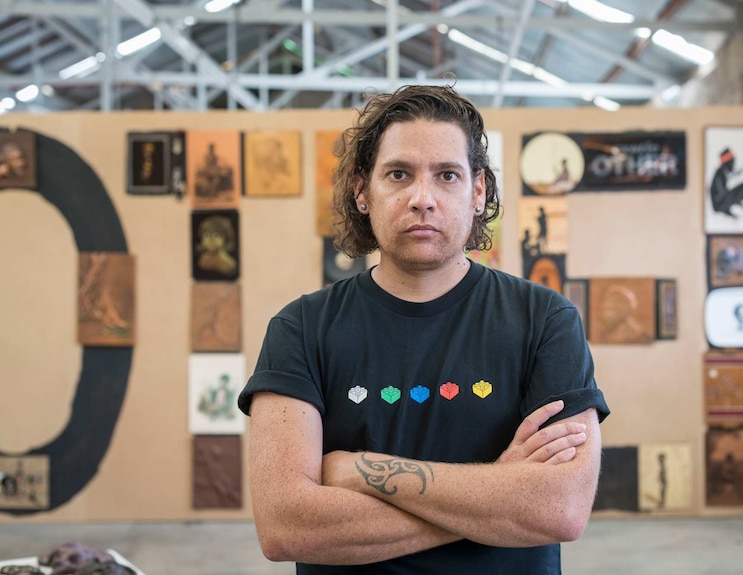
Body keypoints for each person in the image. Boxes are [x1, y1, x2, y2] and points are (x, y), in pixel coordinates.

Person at [238, 84, 610, 574]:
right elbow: (286, 526)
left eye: (447, 175)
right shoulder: (300, 329)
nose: (422, 198)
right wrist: (498, 493)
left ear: (477, 193)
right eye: (398, 174)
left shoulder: (546, 320)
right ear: (362, 193)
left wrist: (361, 473)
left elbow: (558, 510)